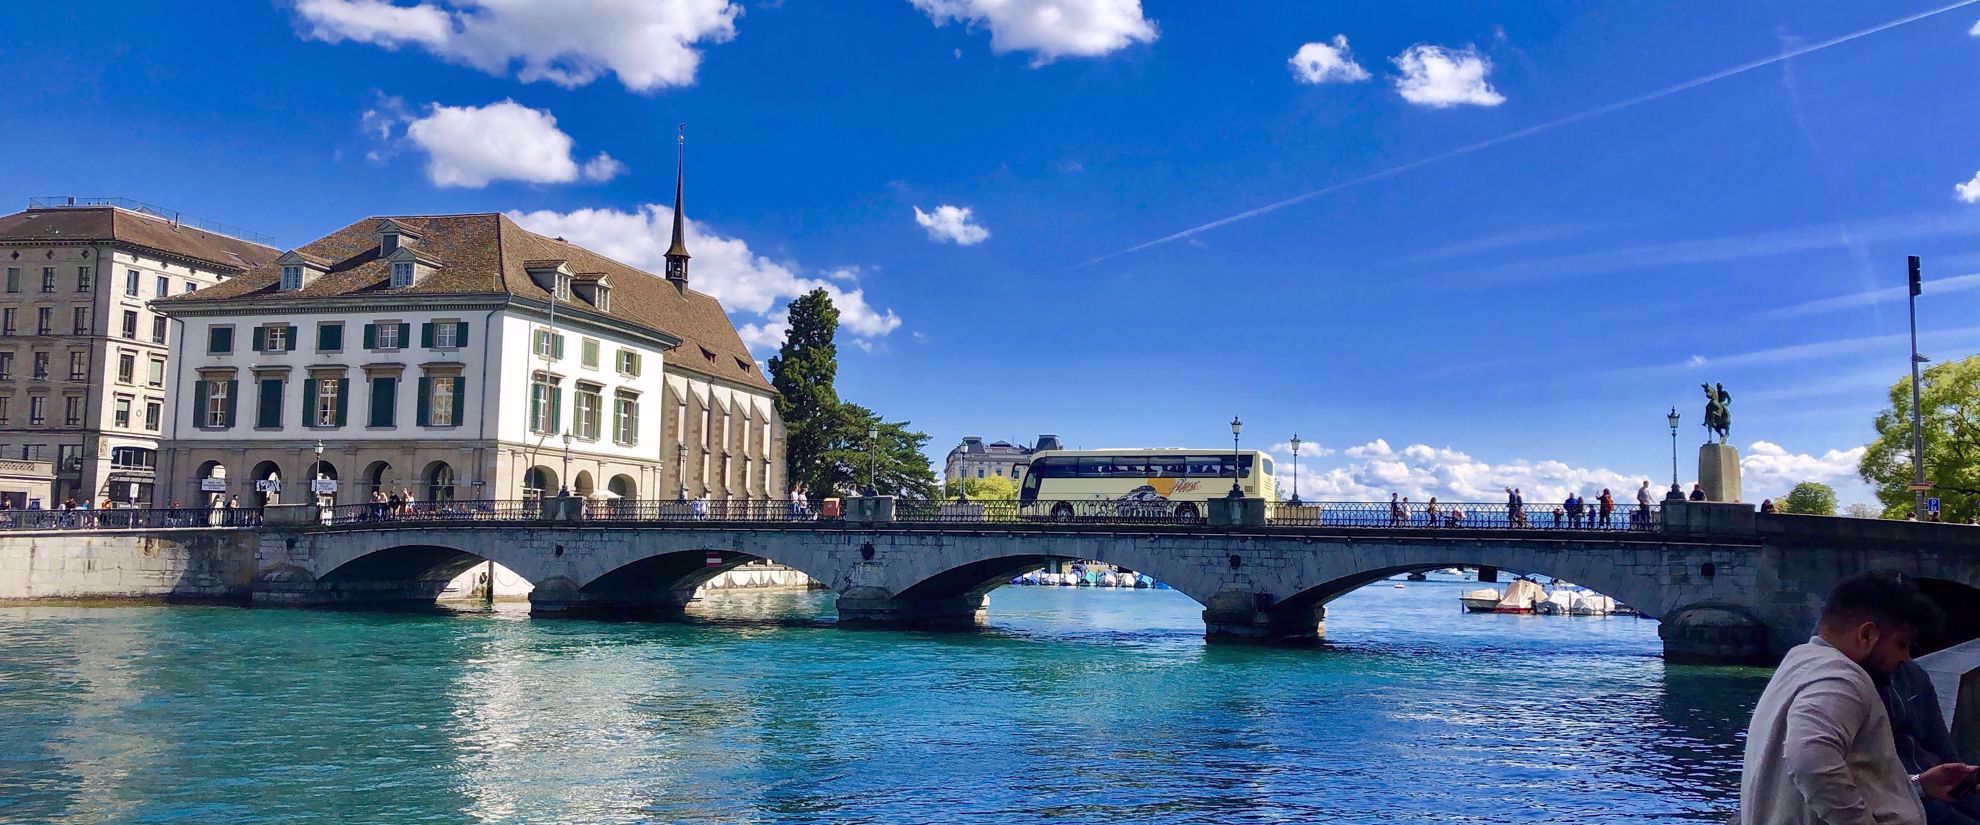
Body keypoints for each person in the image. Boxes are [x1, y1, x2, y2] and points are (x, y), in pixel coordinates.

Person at [1740, 571, 1976, 824]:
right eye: (1901, 644)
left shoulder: (1800, 662)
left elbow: (1839, 773)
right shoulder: (1840, 678)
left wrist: (1920, 785)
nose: (1907, 658)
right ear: (1866, 635)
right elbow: (1809, 759)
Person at [1881, 658, 1980, 825]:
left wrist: (1965, 778)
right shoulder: (1853, 691)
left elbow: (1942, 744)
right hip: (1903, 800)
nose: (1906, 656)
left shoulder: (1913, 674)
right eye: (1900, 645)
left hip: (1941, 784)